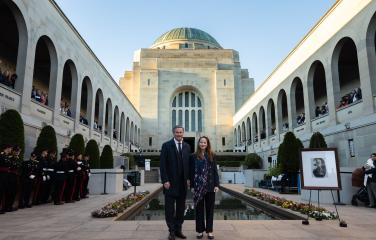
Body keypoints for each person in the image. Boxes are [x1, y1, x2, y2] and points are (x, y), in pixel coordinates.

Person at [160, 126, 191, 240]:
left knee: (181, 209)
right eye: (177, 132)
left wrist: (189, 179)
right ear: (173, 133)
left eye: (181, 132)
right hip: (170, 184)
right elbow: (162, 165)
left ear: (183, 133)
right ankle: (171, 231)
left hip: (182, 184)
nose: (179, 134)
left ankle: (178, 230)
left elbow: (189, 165)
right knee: (169, 209)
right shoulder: (166, 145)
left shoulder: (187, 146)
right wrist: (165, 180)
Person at [190, 136, 219, 239]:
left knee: (210, 210)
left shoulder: (212, 155)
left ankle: (209, 231)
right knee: (199, 210)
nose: (202, 144)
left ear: (207, 144)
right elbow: (191, 172)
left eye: (204, 142)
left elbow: (215, 171)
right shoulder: (193, 156)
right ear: (198, 144)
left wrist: (216, 185)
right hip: (198, 187)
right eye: (201, 142)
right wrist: (192, 186)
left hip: (210, 186)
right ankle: (200, 231)